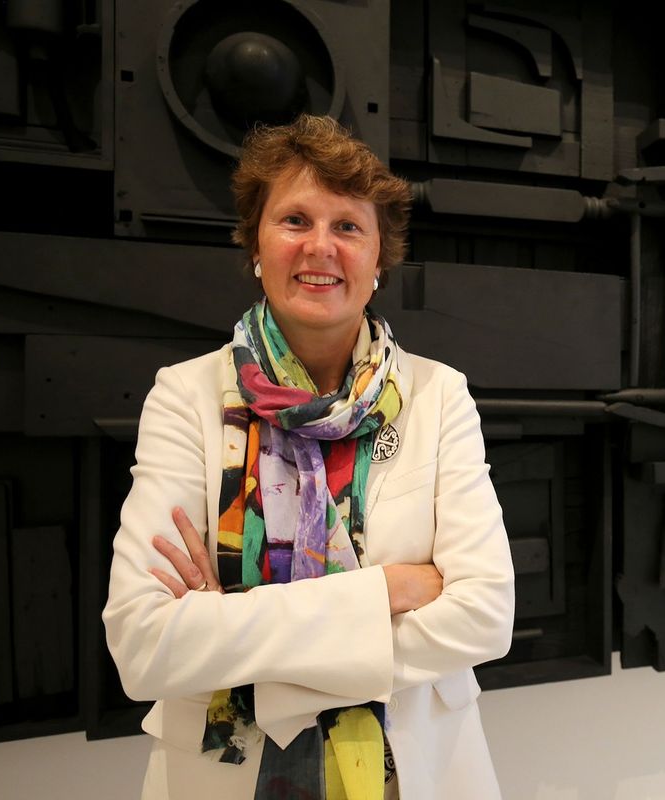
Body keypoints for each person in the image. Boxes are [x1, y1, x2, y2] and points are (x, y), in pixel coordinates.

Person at [102, 114, 515, 800]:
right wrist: (386, 593)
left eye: (349, 227)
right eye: (295, 220)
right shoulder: (185, 398)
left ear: (379, 257)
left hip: (412, 775)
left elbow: (484, 615)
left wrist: (233, 635)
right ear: (256, 246)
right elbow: (144, 645)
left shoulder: (440, 397)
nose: (320, 247)